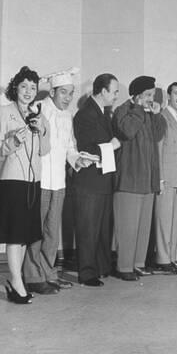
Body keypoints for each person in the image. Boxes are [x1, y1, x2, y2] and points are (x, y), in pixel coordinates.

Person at [22, 69, 91, 294]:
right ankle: (32, 277)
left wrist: (78, 160)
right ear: (52, 91)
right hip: (39, 181)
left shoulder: (67, 115)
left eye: (71, 93)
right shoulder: (38, 108)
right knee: (35, 232)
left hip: (59, 182)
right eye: (63, 93)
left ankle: (49, 273)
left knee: (52, 232)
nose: (68, 98)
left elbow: (70, 147)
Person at [0, 66, 50, 304]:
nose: (28, 91)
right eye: (24, 86)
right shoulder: (5, 112)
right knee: (15, 234)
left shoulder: (39, 114)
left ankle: (18, 281)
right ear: (15, 87)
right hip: (12, 180)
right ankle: (16, 282)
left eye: (33, 88)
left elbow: (45, 150)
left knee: (26, 235)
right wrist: (14, 139)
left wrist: (41, 131)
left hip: (33, 180)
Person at [112, 76, 166, 281]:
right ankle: (124, 266)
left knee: (143, 226)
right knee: (128, 226)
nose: (151, 99)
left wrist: (157, 115)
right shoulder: (123, 111)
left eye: (152, 95)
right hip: (129, 178)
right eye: (148, 95)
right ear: (136, 97)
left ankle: (138, 263)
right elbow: (127, 131)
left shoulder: (148, 113)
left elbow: (159, 135)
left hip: (147, 179)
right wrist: (138, 109)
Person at [72, 73, 121, 287]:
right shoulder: (85, 115)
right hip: (89, 182)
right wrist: (112, 146)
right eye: (115, 91)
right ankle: (87, 273)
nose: (116, 96)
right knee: (89, 229)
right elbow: (86, 148)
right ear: (103, 91)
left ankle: (101, 267)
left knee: (101, 228)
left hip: (102, 180)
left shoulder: (103, 113)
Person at [154, 82, 177, 272]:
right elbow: (158, 150)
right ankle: (163, 259)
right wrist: (160, 178)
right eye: (176, 93)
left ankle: (172, 257)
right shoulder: (162, 117)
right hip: (165, 177)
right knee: (164, 220)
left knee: (174, 221)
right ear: (168, 95)